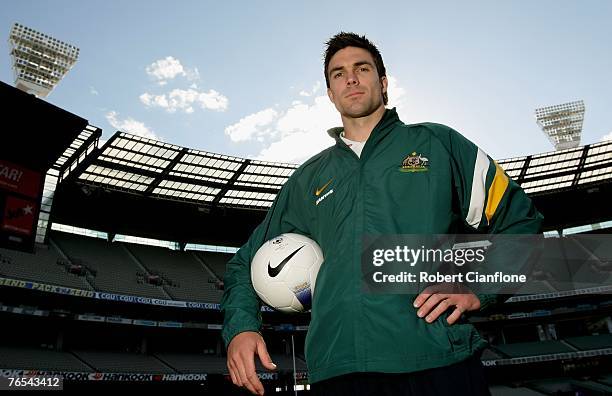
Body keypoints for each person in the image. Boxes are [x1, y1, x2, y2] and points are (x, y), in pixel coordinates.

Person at [221, 32, 543, 396]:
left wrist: (479, 286)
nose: (351, 78)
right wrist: (241, 328)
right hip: (338, 369)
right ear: (330, 93)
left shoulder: (439, 143)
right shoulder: (307, 179)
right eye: (338, 74)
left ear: (384, 82)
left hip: (438, 360)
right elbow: (245, 264)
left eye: (362, 68)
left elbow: (522, 223)